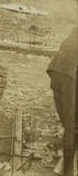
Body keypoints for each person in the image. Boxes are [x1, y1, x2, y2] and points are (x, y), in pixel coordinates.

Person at [46, 27, 77, 176]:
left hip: (55, 71)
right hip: (69, 75)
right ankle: (69, 171)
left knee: (68, 120)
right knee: (71, 125)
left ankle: (68, 161)